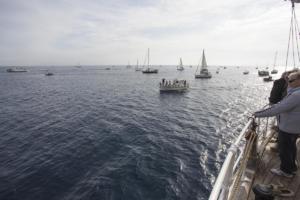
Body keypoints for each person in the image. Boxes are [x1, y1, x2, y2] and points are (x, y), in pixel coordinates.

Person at [254, 71, 300, 178]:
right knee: (291, 148)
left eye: (291, 80)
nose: (288, 82)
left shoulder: (296, 95)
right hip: (294, 128)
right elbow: (283, 105)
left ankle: (286, 171)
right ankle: (292, 168)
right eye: (287, 80)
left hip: (288, 129)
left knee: (284, 150)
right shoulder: (294, 93)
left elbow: (278, 109)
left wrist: (257, 114)